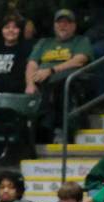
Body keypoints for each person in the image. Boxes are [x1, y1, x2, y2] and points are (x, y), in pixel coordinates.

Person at [24, 8, 93, 138]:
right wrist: (29, 84)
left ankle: (55, 128)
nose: (63, 26)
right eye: (59, 22)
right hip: (41, 82)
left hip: (68, 81)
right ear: (55, 25)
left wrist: (51, 70)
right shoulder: (44, 42)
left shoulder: (81, 41)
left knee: (58, 85)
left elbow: (79, 60)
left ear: (74, 26)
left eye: (67, 23)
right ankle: (37, 132)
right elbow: (32, 64)